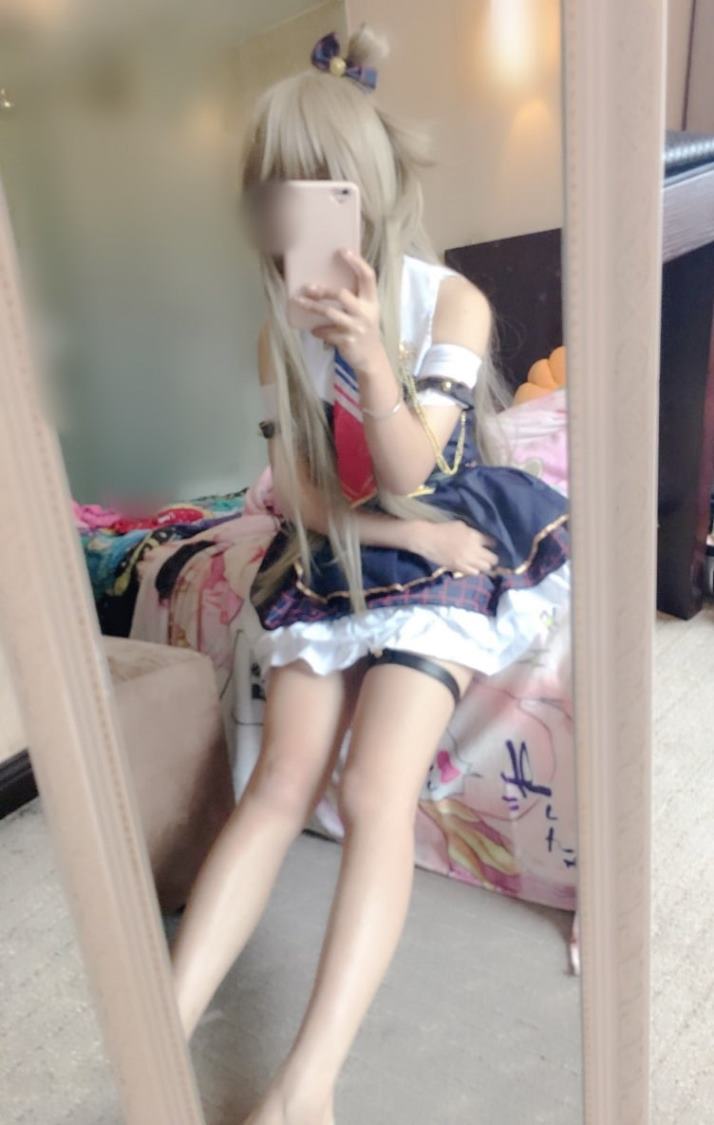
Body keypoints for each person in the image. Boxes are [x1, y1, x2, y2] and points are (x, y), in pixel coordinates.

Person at [170, 24, 569, 1125]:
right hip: (355, 546)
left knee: (373, 790)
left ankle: (307, 1087)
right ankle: (156, 1030)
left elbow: (410, 471)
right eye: (272, 200)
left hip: (448, 528)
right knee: (279, 781)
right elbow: (299, 496)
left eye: (317, 196)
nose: (292, 224)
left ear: (367, 194)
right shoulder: (276, 337)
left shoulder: (451, 303)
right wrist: (403, 541)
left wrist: (366, 355)